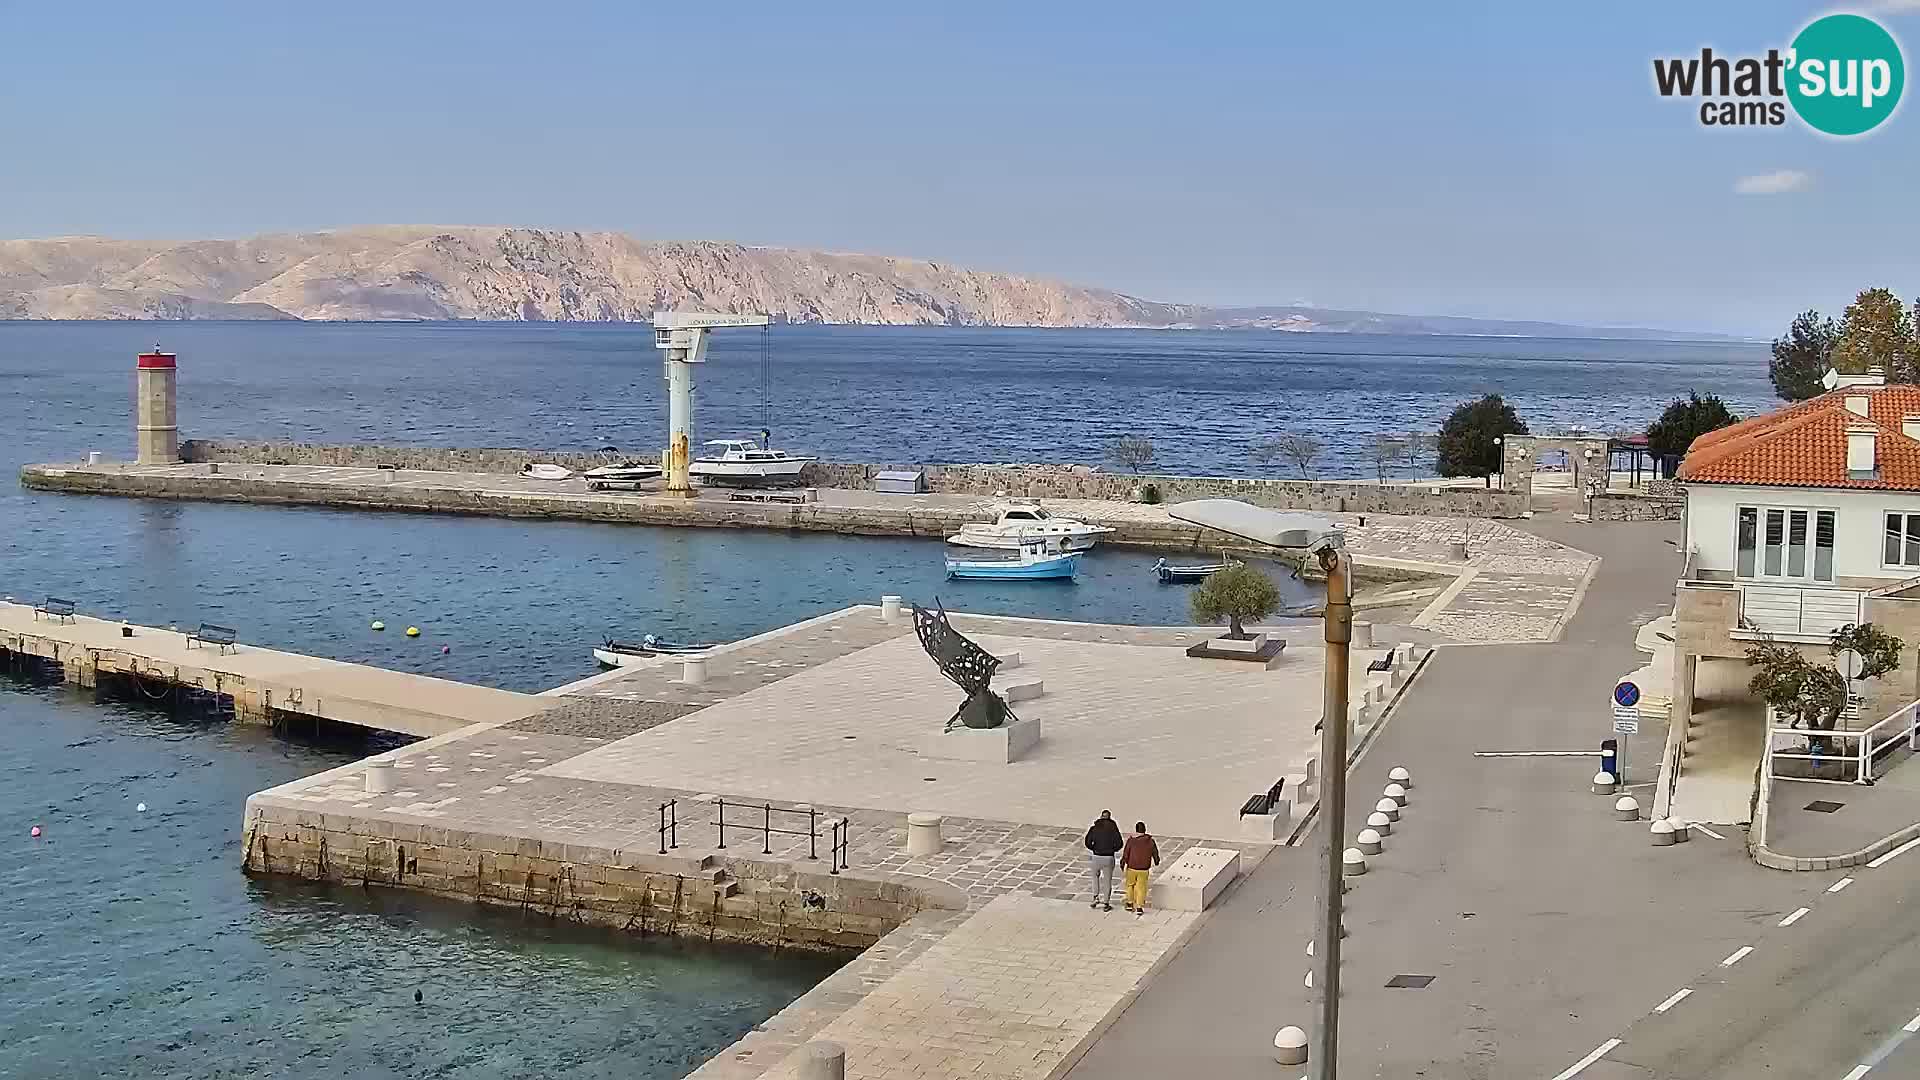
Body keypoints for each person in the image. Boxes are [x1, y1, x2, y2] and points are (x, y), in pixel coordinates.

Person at [1083, 810, 1123, 911]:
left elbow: (1087, 842)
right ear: (1109, 818)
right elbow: (1120, 843)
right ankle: (1106, 903)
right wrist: (1112, 850)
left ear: (1101, 817)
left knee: (1095, 878)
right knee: (1107, 880)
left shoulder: (1094, 828)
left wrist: (1094, 848)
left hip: (1096, 856)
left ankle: (1095, 898)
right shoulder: (1113, 829)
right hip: (1108, 857)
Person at [1121, 821, 1161, 915]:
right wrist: (1156, 861)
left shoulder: (1131, 840)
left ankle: (1130, 903)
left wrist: (1123, 863)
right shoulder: (1150, 841)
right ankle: (1139, 907)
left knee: (1130, 885)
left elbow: (1126, 853)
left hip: (1132, 867)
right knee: (1141, 887)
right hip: (1144, 868)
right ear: (1144, 830)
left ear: (1136, 829)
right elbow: (1155, 852)